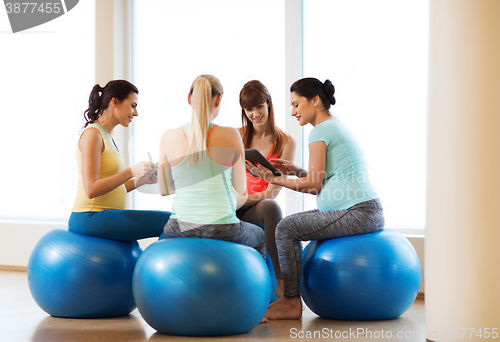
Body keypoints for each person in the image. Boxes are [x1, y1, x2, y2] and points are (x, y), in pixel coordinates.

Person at [247, 77, 384, 320]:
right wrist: (294, 170)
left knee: (286, 227)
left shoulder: (320, 131)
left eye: (296, 105)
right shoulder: (331, 126)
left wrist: (273, 178)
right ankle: (291, 297)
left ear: (315, 101)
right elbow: (321, 178)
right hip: (362, 209)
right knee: (287, 226)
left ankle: (290, 302)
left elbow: (312, 186)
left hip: (359, 211)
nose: (292, 112)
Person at [158, 75, 265, 259]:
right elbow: (241, 189)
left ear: (190, 99)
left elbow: (164, 189)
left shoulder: (168, 137)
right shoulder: (231, 135)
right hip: (222, 229)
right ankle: (274, 288)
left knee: (162, 238)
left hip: (179, 228)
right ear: (218, 99)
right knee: (261, 237)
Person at [69, 80, 171, 241]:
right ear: (115, 102)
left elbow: (112, 187)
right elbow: (91, 189)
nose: (136, 113)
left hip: (104, 215)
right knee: (171, 221)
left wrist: (141, 180)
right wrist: (131, 171)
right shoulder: (92, 135)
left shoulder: (107, 135)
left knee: (173, 221)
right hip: (89, 217)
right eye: (133, 105)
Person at [237, 80, 296, 299]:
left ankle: (282, 286)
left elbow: (272, 192)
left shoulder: (286, 142)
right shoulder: (237, 136)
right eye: (249, 109)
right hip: (231, 202)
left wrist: (244, 199)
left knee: (271, 207)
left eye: (259, 107)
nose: (255, 114)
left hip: (253, 206)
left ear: (269, 104)